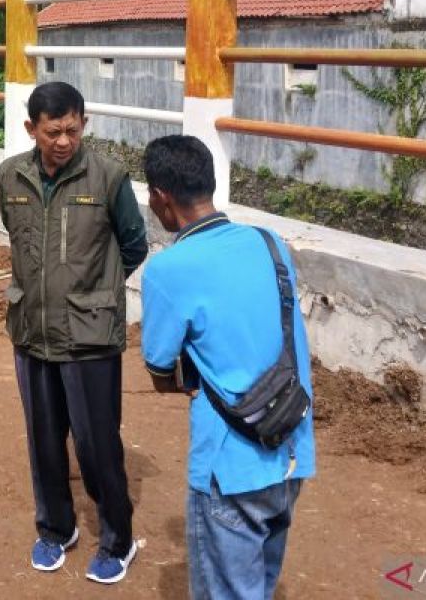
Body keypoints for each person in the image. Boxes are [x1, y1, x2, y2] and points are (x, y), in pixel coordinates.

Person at [139, 135, 315, 600]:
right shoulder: (269, 243)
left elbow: (159, 367)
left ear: (160, 197)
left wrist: (186, 379)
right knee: (259, 583)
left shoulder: (169, 269)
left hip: (230, 465)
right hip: (291, 447)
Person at [0, 81, 148, 585]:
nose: (64, 141)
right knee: (43, 440)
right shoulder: (10, 175)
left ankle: (118, 540)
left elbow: (134, 244)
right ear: (31, 129)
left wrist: (94, 291)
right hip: (31, 329)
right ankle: (56, 530)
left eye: (72, 130)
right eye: (52, 132)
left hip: (89, 337)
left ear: (84, 124)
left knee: (96, 444)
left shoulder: (108, 177)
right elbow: (17, 238)